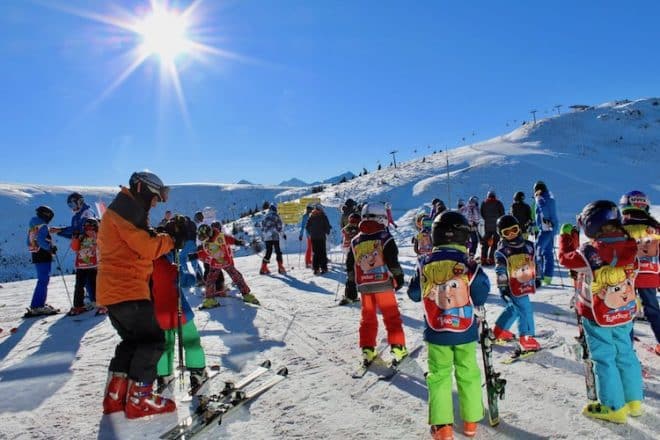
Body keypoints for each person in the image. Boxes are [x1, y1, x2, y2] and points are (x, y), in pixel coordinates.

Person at [98, 171, 187, 419]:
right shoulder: (128, 209)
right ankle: (140, 399)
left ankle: (115, 397)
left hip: (115, 290)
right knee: (153, 341)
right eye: (155, 197)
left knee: (133, 342)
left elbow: (139, 239)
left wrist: (163, 233)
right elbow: (146, 247)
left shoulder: (126, 208)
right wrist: (171, 239)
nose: (156, 203)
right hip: (128, 289)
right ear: (142, 189)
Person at [558, 200, 643, 423]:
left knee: (604, 358)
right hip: (624, 311)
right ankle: (634, 401)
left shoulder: (589, 251)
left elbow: (566, 259)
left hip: (598, 315)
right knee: (625, 353)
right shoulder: (630, 245)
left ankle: (614, 406)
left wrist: (566, 239)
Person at [407, 211, 490, 439]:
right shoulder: (468, 264)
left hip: (436, 331)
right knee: (468, 371)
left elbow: (414, 293)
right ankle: (471, 419)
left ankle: (442, 427)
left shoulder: (424, 263)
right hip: (465, 331)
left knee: (439, 374)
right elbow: (481, 292)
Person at [345, 203, 408, 364]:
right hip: (383, 284)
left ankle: (367, 350)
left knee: (368, 318)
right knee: (391, 316)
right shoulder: (385, 237)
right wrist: (398, 277)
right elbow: (392, 260)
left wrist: (351, 284)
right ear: (381, 218)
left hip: (365, 286)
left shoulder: (355, 240)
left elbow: (350, 264)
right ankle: (398, 348)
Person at [151, 244, 208, 394]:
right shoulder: (169, 264)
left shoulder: (142, 263)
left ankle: (163, 376)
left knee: (164, 347)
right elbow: (185, 280)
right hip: (179, 312)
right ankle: (197, 374)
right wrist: (192, 275)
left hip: (157, 315)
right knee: (191, 342)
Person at [619, 190, 660, 355]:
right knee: (653, 310)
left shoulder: (621, 227)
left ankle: (627, 350)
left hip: (626, 276)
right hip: (650, 275)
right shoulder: (655, 228)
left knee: (626, 312)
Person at [492, 215, 541, 351]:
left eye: (514, 230)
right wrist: (503, 287)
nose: (512, 235)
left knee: (513, 309)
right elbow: (500, 271)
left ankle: (499, 331)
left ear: (519, 229)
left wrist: (537, 277)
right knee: (525, 309)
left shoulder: (529, 246)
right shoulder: (502, 252)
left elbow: (535, 261)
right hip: (511, 286)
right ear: (501, 234)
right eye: (507, 232)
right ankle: (526, 338)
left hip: (525, 283)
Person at [191, 223, 259, 309]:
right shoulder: (206, 242)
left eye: (204, 237)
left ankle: (246, 294)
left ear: (209, 233)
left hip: (226, 262)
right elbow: (205, 252)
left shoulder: (220, 237)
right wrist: (196, 255)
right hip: (215, 264)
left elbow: (230, 240)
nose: (204, 240)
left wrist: (238, 242)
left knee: (236, 277)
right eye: (202, 238)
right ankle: (210, 300)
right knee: (210, 281)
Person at [25, 205, 58, 316]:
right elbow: (40, 240)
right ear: (46, 215)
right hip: (43, 254)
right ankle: (38, 306)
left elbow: (30, 241)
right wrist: (50, 248)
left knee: (42, 279)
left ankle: (38, 304)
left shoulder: (33, 225)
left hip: (35, 253)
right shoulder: (42, 225)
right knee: (44, 280)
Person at [68, 217, 102, 316]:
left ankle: (99, 303)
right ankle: (78, 306)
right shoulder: (82, 237)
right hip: (81, 266)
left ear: (95, 228)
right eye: (86, 228)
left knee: (95, 284)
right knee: (79, 286)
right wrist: (75, 238)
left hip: (93, 265)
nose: (88, 230)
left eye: (90, 228)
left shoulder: (98, 237)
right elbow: (75, 248)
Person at [532, 181, 559, 286]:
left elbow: (543, 211)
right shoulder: (550, 199)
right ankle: (547, 277)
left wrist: (546, 222)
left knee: (536, 252)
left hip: (546, 230)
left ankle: (538, 276)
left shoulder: (541, 199)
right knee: (547, 253)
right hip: (550, 229)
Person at [260, 204, 287, 275]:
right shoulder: (276, 216)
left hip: (267, 237)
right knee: (278, 251)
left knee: (268, 252)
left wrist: (264, 236)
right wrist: (283, 234)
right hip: (274, 236)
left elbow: (262, 228)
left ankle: (263, 268)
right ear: (275, 209)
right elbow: (279, 227)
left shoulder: (265, 217)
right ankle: (280, 267)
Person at [480, 191, 505, 265]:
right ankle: (491, 259)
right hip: (496, 227)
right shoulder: (498, 203)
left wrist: (487, 219)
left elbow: (482, 213)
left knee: (485, 244)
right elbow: (502, 214)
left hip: (487, 227)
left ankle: (483, 259)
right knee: (495, 244)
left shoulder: (484, 203)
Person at [306, 204, 332, 275]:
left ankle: (316, 269)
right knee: (322, 252)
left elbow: (307, 226)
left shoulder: (311, 216)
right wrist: (327, 231)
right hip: (321, 237)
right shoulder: (323, 216)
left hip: (313, 237)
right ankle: (324, 268)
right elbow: (327, 227)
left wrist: (311, 232)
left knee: (315, 253)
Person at [298, 204, 314, 268]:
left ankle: (308, 261)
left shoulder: (304, 216)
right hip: (312, 234)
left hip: (308, 234)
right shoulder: (311, 216)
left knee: (309, 248)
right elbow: (302, 226)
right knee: (312, 248)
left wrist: (301, 235)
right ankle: (311, 261)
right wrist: (301, 235)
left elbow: (302, 227)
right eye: (311, 209)